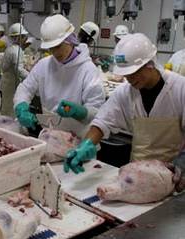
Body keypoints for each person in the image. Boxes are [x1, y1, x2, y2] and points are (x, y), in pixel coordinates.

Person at [64, 33, 185, 174]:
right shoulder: (125, 92)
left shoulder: (180, 88)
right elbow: (103, 121)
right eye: (126, 74)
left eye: (134, 72)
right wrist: (86, 144)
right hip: (136, 173)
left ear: (150, 64)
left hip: (173, 175)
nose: (130, 79)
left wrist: (182, 162)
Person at [13, 14, 105, 130]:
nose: (55, 52)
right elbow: (25, 88)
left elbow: (97, 111)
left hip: (77, 139)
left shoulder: (88, 70)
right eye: (51, 48)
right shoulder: (44, 65)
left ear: (70, 40)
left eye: (58, 46)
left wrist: (81, 112)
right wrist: (21, 106)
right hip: (50, 133)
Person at [0, 23, 29, 117]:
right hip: (11, 85)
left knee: (7, 107)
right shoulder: (16, 51)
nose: (25, 39)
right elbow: (19, 70)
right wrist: (31, 77)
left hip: (8, 82)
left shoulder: (11, 48)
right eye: (23, 36)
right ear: (18, 37)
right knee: (10, 110)